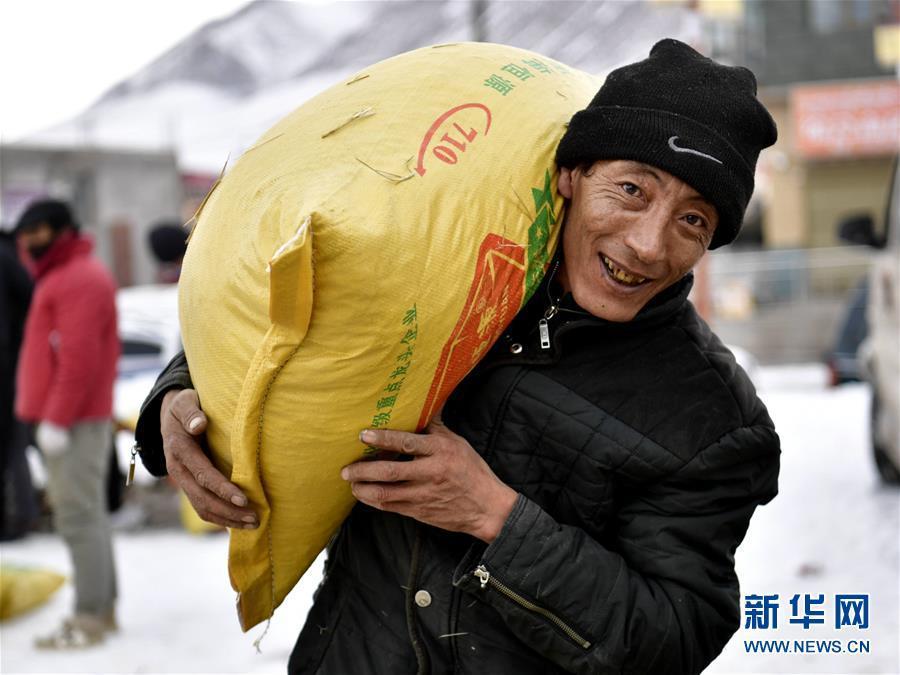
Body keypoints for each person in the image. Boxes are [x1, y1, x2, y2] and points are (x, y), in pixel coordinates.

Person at [135, 40, 781, 673]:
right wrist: (176, 394)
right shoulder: (448, 268)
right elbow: (313, 323)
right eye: (633, 190)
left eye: (692, 221)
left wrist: (494, 514)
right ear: (572, 175)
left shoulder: (716, 421)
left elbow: (673, 636)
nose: (647, 244)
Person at [14, 199, 120, 649]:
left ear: (61, 230)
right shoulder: (62, 273)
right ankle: (101, 609)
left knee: (78, 518)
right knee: (86, 515)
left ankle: (90, 616)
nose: (28, 241)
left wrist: (56, 418)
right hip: (72, 418)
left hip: (75, 421)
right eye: (25, 233)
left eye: (37, 231)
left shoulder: (76, 277)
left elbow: (78, 358)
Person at [0, 224, 37, 541]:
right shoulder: (11, 257)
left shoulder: (5, 258)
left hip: (10, 371)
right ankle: (22, 515)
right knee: (14, 446)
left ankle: (20, 517)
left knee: (12, 445)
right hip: (15, 368)